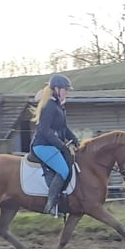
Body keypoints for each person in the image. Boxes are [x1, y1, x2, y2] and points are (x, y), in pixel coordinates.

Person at [30, 73, 81, 215]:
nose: (67, 92)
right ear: (56, 89)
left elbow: (64, 128)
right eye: (65, 89)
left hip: (52, 145)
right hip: (42, 146)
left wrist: (75, 140)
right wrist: (61, 145)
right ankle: (51, 204)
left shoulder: (59, 106)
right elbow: (44, 129)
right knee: (64, 170)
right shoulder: (49, 106)